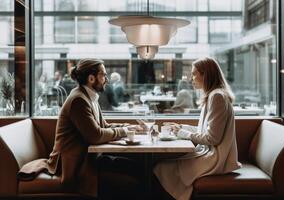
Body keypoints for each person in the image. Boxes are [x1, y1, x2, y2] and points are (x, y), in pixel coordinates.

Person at [17, 58, 145, 199]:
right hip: (75, 166)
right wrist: (125, 131)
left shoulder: (89, 97)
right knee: (132, 184)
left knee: (136, 167)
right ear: (91, 78)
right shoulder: (79, 100)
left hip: (89, 159)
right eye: (103, 75)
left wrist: (129, 127)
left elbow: (104, 127)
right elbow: (95, 135)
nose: (106, 79)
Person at [153, 57, 241, 200]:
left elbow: (212, 138)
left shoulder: (216, 97)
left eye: (194, 74)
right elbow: (207, 131)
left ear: (206, 75)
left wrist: (182, 133)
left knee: (160, 168)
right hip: (210, 154)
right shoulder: (214, 95)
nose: (191, 78)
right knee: (163, 166)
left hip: (216, 159)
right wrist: (182, 127)